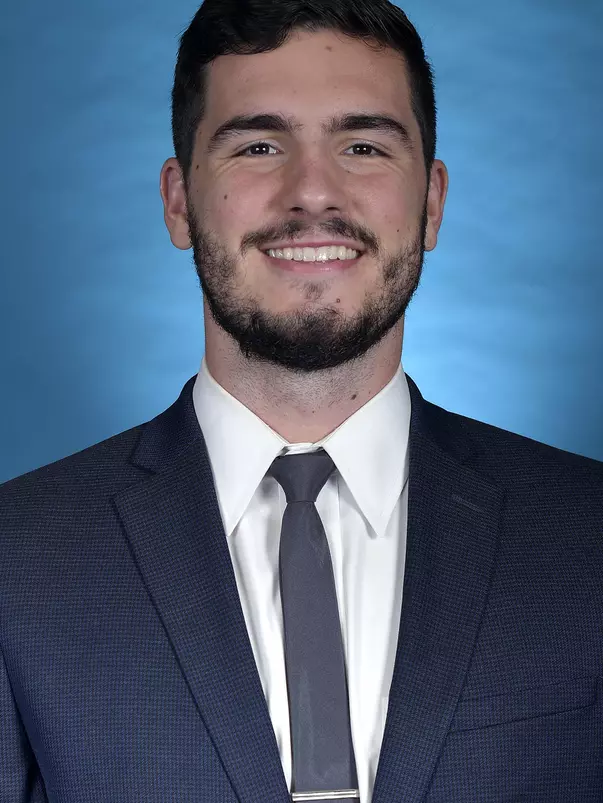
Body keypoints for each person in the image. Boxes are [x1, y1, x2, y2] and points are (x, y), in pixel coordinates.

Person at [1, 0, 602, 800]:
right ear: (179, 202)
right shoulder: (19, 557)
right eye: (257, 144)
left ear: (430, 202)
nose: (311, 193)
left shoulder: (585, 536)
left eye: (362, 145)